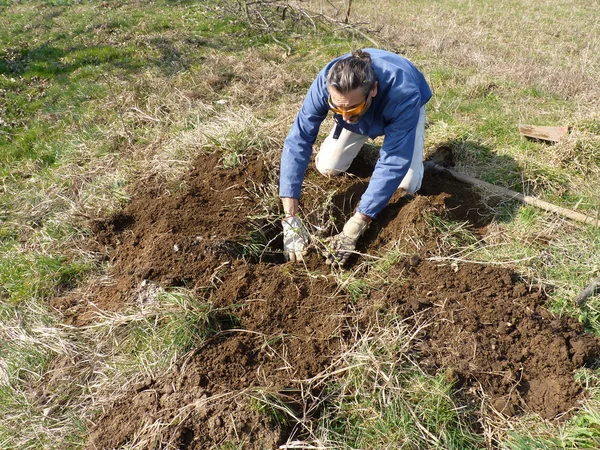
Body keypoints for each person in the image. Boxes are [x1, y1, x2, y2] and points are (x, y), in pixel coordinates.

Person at [279, 48, 432, 265]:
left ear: (373, 90)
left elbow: (395, 159)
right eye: (337, 108)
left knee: (406, 186)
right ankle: (360, 142)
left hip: (403, 109)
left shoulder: (404, 94)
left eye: (352, 107)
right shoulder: (327, 83)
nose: (345, 116)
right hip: (356, 104)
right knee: (327, 167)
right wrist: (290, 217)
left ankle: (405, 157)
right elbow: (298, 139)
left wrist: (356, 225)